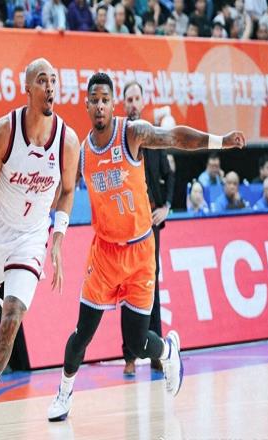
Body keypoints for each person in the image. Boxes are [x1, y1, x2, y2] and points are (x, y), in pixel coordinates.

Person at [47, 72, 245, 422]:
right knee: (82, 334)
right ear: (86, 105)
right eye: (94, 100)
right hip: (104, 254)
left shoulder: (132, 133)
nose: (99, 106)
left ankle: (167, 351)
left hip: (140, 252)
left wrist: (220, 141)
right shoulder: (81, 152)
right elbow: (62, 193)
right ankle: (63, 394)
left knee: (138, 344)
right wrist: (53, 232)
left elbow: (175, 137)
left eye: (105, 100)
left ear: (113, 104)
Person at [0, 58, 80, 440]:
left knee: (14, 318)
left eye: (54, 80)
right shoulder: (4, 131)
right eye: (42, 80)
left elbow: (68, 190)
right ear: (28, 88)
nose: (50, 86)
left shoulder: (68, 141)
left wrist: (58, 237)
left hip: (31, 237)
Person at [120, 81, 175, 376]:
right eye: (128, 99)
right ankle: (129, 355)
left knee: (150, 283)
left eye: (136, 98)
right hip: (126, 226)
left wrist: (166, 206)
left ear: (143, 102)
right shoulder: (118, 139)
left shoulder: (154, 138)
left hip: (150, 225)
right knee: (127, 285)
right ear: (123, 104)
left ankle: (155, 352)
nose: (132, 104)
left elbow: (170, 175)